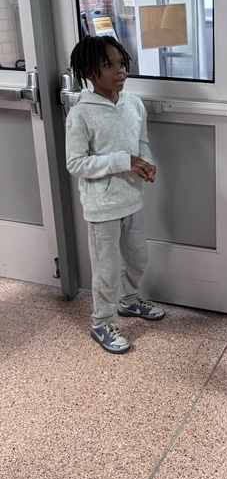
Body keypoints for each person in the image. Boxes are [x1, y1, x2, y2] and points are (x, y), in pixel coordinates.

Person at [65, 35, 165, 355]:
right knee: (106, 269)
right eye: (109, 65)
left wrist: (145, 163)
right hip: (102, 206)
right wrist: (124, 162)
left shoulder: (133, 104)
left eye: (121, 63)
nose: (119, 71)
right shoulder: (81, 114)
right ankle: (101, 321)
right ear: (90, 72)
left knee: (138, 257)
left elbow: (142, 142)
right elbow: (76, 162)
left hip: (131, 200)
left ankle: (129, 301)